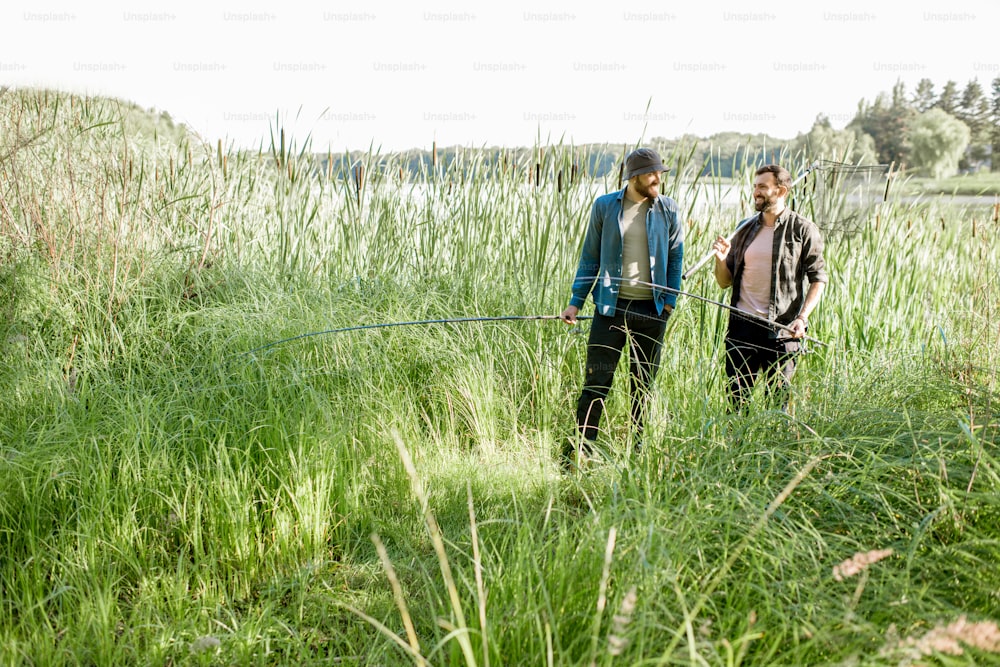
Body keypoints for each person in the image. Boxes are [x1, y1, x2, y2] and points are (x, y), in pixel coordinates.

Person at [560, 148, 684, 466]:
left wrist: (669, 302)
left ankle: (637, 456)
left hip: (652, 313)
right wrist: (576, 302)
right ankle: (579, 453)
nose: (658, 178)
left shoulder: (668, 208)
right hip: (610, 311)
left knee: (642, 389)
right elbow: (590, 257)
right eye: (651, 173)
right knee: (596, 384)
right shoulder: (605, 206)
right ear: (633, 177)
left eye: (660, 172)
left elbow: (675, 258)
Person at [711, 164, 827, 409]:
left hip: (782, 332)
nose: (756, 192)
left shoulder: (803, 230)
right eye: (755, 187)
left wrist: (802, 318)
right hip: (742, 329)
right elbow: (725, 282)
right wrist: (721, 260)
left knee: (777, 409)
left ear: (782, 191)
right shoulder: (744, 228)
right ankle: (736, 448)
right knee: (736, 405)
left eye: (763, 187)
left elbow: (819, 279)